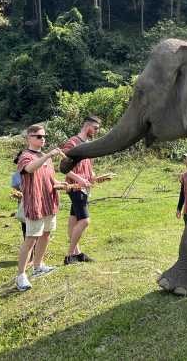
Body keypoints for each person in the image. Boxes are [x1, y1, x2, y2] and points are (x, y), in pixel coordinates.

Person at [15, 124, 66, 292]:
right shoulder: (25, 156)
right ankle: (21, 275)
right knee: (31, 239)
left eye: (44, 136)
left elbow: (50, 180)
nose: (42, 139)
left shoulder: (46, 157)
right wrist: (48, 155)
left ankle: (38, 266)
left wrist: (62, 184)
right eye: (38, 136)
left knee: (46, 234)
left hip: (49, 203)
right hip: (35, 204)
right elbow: (29, 169)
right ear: (29, 137)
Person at [61, 115, 114, 265]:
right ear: (87, 126)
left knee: (74, 219)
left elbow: (88, 168)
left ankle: (77, 253)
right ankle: (69, 255)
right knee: (84, 221)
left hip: (85, 188)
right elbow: (63, 167)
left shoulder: (89, 144)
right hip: (76, 187)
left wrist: (95, 177)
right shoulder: (72, 142)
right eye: (95, 128)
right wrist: (79, 179)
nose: (97, 131)